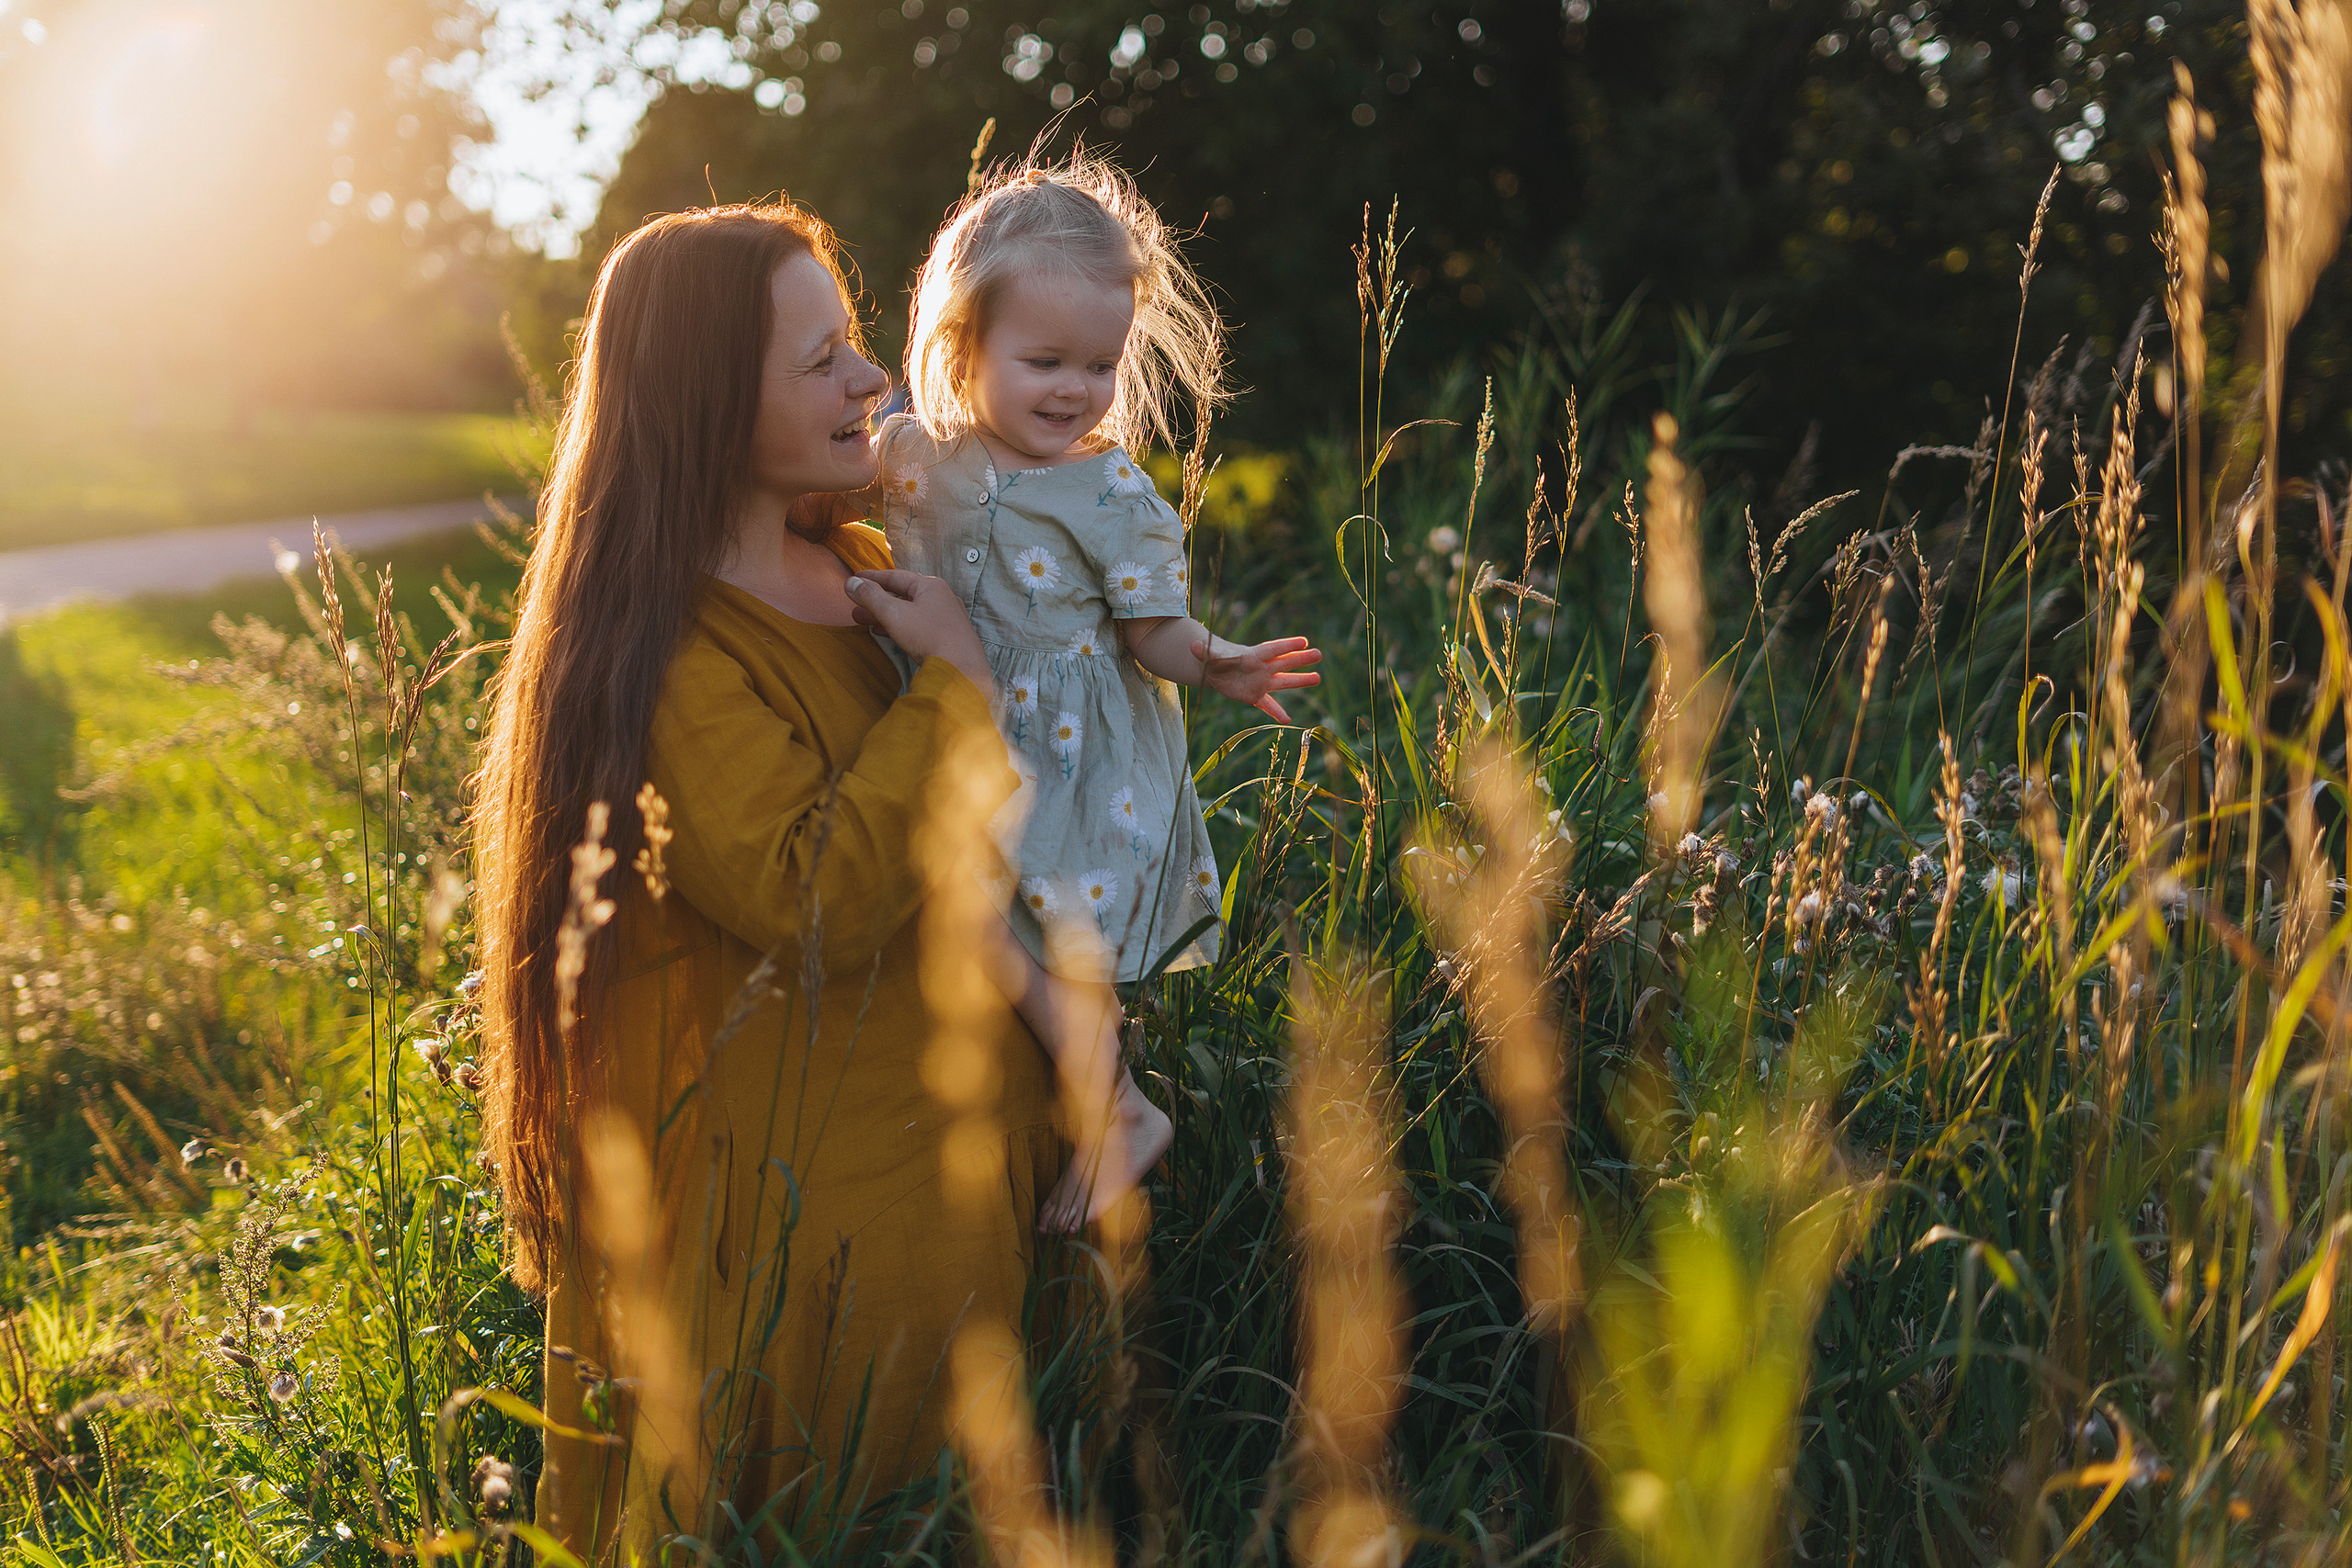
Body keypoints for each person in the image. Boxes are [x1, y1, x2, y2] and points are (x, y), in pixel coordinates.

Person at [472, 200, 1063, 1555]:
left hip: (968, 1165)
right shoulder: (671, 650)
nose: (872, 380)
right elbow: (819, 897)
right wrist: (959, 690)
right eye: (821, 360)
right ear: (704, 402)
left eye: (855, 343)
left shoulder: (868, 571)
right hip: (818, 1242)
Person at [877, 157, 1322, 1233]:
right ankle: (1094, 1103)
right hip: (954, 725)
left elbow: (1149, 630)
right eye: (1042, 361)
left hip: (1065, 753)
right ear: (961, 345)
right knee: (974, 921)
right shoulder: (912, 455)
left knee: (1020, 929)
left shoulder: (1110, 489)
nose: (1074, 389)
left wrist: (1214, 660)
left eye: (1098, 364)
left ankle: (1117, 1107)